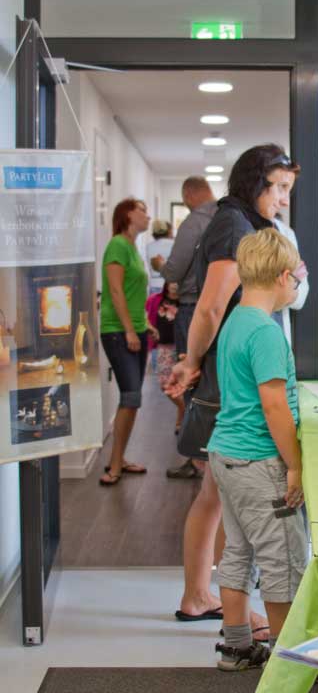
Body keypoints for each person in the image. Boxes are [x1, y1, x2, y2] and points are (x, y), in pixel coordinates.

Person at [165, 143, 300, 640]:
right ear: (256, 182)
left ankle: (208, 600)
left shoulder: (241, 223)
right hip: (230, 379)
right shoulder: (233, 226)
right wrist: (192, 361)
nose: (283, 200)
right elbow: (210, 306)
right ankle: (214, 602)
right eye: (279, 188)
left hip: (227, 371)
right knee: (227, 500)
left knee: (215, 495)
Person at [208, 228, 307, 670]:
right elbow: (274, 406)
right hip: (259, 461)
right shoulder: (266, 333)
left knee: (238, 552)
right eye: (298, 278)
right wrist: (295, 466)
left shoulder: (235, 320)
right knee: (282, 558)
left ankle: (236, 645)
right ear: (284, 277)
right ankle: (285, 662)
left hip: (226, 455)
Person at [152, 176, 217, 480]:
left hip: (192, 308)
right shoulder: (227, 217)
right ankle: (211, 458)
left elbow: (175, 269)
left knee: (188, 380)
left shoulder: (194, 221)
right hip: (218, 309)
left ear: (188, 195)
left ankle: (196, 459)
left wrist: (160, 267)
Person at [99, 198, 157, 486]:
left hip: (135, 328)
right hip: (117, 331)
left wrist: (145, 324)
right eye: (142, 210)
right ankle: (113, 465)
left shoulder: (133, 248)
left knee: (133, 400)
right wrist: (129, 331)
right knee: (131, 396)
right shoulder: (117, 246)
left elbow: (135, 295)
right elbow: (115, 291)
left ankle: (120, 458)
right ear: (127, 215)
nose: (148, 216)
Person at [146, 281, 185, 433]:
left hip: (182, 346)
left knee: (183, 384)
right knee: (165, 384)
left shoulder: (186, 302)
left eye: (177, 281)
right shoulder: (156, 300)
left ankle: (181, 419)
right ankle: (184, 408)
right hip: (163, 347)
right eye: (172, 281)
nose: (175, 284)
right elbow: (147, 319)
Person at [273, 215, 309, 345]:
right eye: (281, 192)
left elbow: (302, 295)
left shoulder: (286, 233)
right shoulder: (238, 230)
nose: (285, 202)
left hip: (279, 335)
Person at [146, 219, 174, 294]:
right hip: (170, 286)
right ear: (168, 231)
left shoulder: (148, 246)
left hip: (154, 285)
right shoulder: (174, 244)